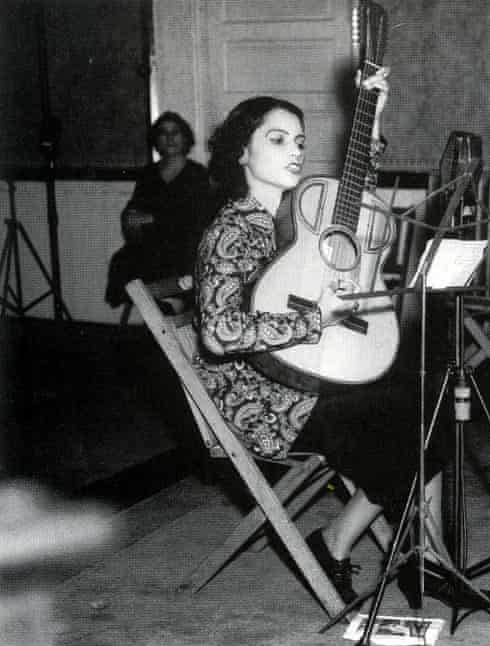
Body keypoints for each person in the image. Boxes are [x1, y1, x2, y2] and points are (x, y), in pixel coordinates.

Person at [191, 71, 448, 608]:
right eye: (277, 139)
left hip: (315, 375)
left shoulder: (295, 215)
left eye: (301, 142)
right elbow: (218, 333)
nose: (295, 152)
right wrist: (316, 321)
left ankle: (426, 556)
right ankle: (372, 549)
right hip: (266, 402)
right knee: (407, 422)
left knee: (435, 400)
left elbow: (356, 199)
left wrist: (371, 118)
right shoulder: (232, 228)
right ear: (242, 152)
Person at [105, 112, 210, 308]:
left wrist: (154, 219)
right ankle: (160, 304)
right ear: (156, 140)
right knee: (123, 260)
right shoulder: (149, 174)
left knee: (173, 261)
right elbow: (135, 207)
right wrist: (130, 218)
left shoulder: (198, 174)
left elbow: (199, 217)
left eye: (175, 132)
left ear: (185, 137)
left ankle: (171, 303)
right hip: (151, 242)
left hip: (184, 243)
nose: (169, 138)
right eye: (163, 133)